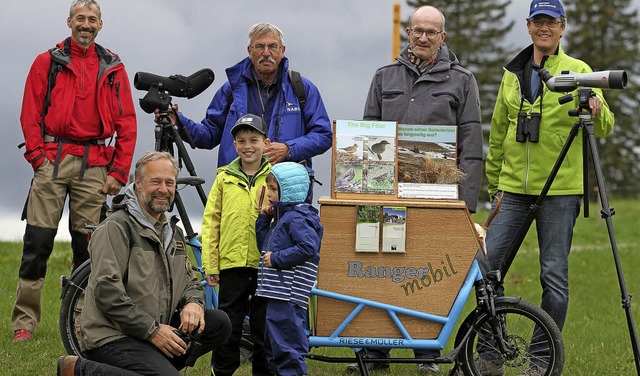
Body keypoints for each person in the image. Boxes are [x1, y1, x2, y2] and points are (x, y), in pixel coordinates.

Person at [477, 0, 615, 374]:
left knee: (554, 278)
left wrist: (598, 111)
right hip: (513, 191)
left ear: (562, 27)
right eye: (537, 21)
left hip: (560, 192)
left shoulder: (579, 70)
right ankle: (492, 352)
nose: (544, 28)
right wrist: (495, 186)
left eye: (550, 22)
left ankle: (540, 360)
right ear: (528, 26)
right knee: (485, 268)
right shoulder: (512, 72)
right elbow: (501, 131)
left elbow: (604, 128)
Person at [352, 5, 484, 374]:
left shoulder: (462, 80)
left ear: (442, 37)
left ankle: (426, 355)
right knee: (379, 266)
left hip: (435, 198)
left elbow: (471, 146)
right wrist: (365, 191)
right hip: (386, 195)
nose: (423, 37)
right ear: (408, 33)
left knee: (427, 270)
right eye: (417, 30)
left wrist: (465, 203)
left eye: (431, 32)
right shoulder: (384, 76)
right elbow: (368, 134)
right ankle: (376, 352)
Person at [12, 0, 137, 343]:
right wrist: (38, 158)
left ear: (101, 25)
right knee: (37, 243)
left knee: (90, 250)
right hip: (51, 160)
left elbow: (127, 121)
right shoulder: (46, 61)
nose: (85, 24)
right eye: (80, 18)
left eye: (92, 19)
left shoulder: (113, 67)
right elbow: (29, 112)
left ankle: (82, 323)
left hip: (96, 165)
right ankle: (24, 323)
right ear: (69, 21)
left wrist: (119, 172)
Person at [56, 151, 232, 376]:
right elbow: (107, 292)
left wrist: (194, 303)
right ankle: (80, 370)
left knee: (219, 322)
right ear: (138, 184)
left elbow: (189, 282)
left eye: (170, 183)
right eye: (155, 181)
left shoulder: (173, 232)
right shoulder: (116, 228)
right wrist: (153, 331)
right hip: (112, 336)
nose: (163, 189)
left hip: (152, 330)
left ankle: (155, 368)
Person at [172, 22, 332, 169]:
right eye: (260, 46)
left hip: (284, 190)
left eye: (273, 46)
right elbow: (208, 135)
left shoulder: (302, 88)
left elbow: (324, 135)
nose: (266, 53)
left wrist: (289, 149)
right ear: (249, 51)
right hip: (237, 187)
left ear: (282, 51)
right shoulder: (230, 90)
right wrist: (178, 121)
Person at [201, 114, 273, 376]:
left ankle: (263, 371)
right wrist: (210, 264)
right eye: (241, 140)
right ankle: (221, 370)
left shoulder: (275, 177)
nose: (248, 145)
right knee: (228, 323)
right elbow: (211, 223)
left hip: (265, 264)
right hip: (231, 264)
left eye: (254, 139)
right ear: (234, 145)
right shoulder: (223, 179)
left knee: (262, 325)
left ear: (266, 143)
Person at [255, 162, 323, 376]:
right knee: (275, 345)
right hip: (277, 293)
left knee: (287, 346)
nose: (269, 194)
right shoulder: (282, 218)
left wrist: (276, 259)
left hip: (288, 294)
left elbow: (308, 247)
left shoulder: (297, 218)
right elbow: (263, 246)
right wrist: (264, 218)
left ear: (289, 191)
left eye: (274, 190)